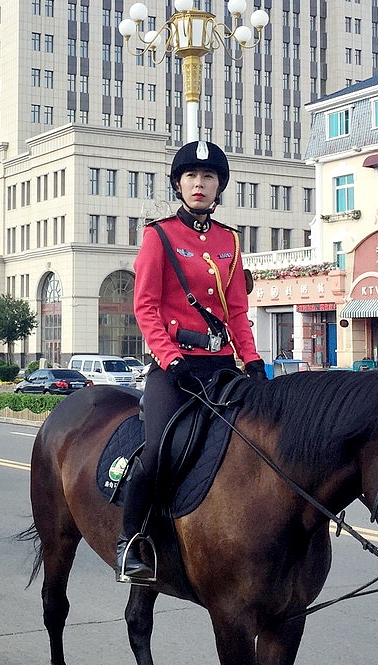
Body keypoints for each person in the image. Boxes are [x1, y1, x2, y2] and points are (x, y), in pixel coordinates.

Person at [116, 140, 267, 583]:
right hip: (175, 370)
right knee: (160, 450)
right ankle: (131, 542)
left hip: (221, 367)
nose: (199, 184)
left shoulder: (229, 241)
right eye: (191, 177)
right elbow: (145, 307)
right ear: (178, 184)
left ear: (219, 186)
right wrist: (170, 357)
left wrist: (253, 360)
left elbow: (236, 311)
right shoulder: (158, 235)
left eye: (208, 177)